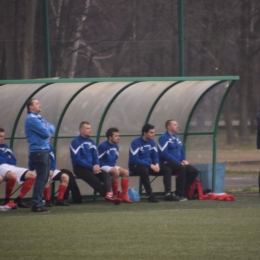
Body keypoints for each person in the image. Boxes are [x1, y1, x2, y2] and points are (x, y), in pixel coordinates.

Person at [70, 122, 122, 205]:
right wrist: (92, 167)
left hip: (92, 167)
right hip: (80, 168)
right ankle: (110, 197)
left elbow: (95, 156)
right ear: (81, 130)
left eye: (90, 128)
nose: (90, 130)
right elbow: (77, 160)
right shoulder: (76, 142)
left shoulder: (92, 142)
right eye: (87, 128)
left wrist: (97, 165)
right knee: (96, 182)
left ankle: (109, 194)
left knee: (106, 175)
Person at [129, 123, 179, 203]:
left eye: (153, 132)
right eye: (151, 133)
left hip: (149, 165)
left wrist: (156, 164)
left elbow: (155, 156)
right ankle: (150, 194)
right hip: (136, 166)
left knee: (167, 169)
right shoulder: (135, 142)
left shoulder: (152, 142)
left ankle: (168, 194)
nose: (153, 135)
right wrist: (150, 165)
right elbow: (134, 159)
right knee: (144, 170)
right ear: (145, 133)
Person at [25, 98, 55, 213]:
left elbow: (52, 127)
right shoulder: (32, 119)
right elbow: (47, 132)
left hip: (44, 150)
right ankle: (36, 204)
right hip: (39, 151)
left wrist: (46, 128)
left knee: (43, 178)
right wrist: (46, 128)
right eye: (37, 104)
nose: (39, 105)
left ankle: (38, 203)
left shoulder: (39, 118)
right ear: (30, 107)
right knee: (41, 178)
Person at [158, 120, 198, 198]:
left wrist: (183, 159)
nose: (177, 126)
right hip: (166, 162)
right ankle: (179, 194)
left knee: (194, 171)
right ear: (169, 127)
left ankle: (182, 191)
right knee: (181, 168)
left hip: (178, 162)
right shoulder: (164, 137)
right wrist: (178, 162)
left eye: (177, 124)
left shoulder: (176, 137)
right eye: (175, 125)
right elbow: (163, 153)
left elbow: (181, 150)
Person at [0, 127, 36, 208]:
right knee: (13, 176)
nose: (2, 138)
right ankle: (7, 200)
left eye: (3, 136)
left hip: (11, 166)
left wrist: (5, 159)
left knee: (32, 175)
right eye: (0, 136)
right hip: (1, 167)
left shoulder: (5, 146)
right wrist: (6, 158)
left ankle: (18, 200)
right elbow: (2, 161)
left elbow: (13, 160)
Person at [98, 127, 133, 203]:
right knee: (116, 172)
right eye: (116, 136)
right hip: (103, 165)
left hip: (111, 165)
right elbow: (98, 159)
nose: (118, 138)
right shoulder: (103, 146)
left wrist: (112, 166)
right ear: (110, 137)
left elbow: (115, 157)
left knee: (126, 172)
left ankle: (124, 196)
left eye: (118, 136)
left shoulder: (116, 146)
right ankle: (115, 195)